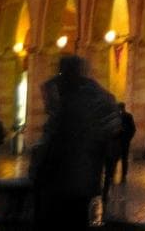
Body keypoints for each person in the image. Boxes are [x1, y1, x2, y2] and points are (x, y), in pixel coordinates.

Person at [29, 54, 120, 230]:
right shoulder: (94, 96)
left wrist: (37, 170)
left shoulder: (73, 102)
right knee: (76, 217)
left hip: (64, 180)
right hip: (82, 181)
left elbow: (55, 140)